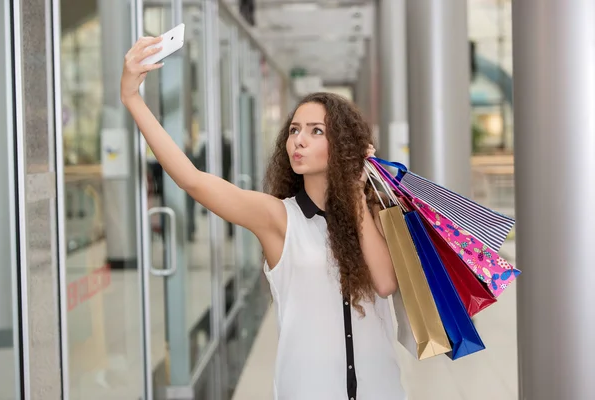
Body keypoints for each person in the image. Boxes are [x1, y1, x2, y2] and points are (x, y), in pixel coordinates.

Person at [121, 36, 406, 400]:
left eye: (316, 131)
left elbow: (384, 283)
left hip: (380, 389)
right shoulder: (278, 218)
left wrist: (355, 194)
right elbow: (192, 180)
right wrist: (132, 99)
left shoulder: (375, 211)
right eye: (294, 130)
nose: (298, 140)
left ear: (344, 144)